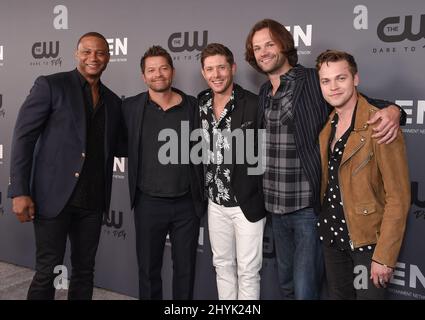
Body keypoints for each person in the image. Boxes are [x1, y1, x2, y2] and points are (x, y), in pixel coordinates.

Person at [244, 19, 405, 299]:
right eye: (257, 48)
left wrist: (394, 110)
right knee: (287, 285)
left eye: (270, 44)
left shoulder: (310, 79)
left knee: (306, 289)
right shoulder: (262, 92)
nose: (264, 52)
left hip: (306, 206)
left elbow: (359, 101)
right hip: (274, 207)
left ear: (283, 44)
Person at [8, 32, 123, 300]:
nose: (93, 58)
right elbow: (24, 137)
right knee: (48, 271)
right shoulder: (51, 85)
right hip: (53, 198)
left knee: (85, 271)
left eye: (100, 53)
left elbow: (121, 145)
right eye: (87, 52)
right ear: (76, 54)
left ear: (108, 57)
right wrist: (19, 190)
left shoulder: (114, 102)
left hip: (93, 201)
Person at [316, 50, 410, 299]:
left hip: (367, 243)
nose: (333, 87)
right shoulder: (327, 125)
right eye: (326, 81)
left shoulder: (381, 124)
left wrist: (384, 256)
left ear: (355, 79)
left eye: (341, 78)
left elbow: (398, 197)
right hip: (332, 240)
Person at [121, 45, 206, 300]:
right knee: (148, 270)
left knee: (185, 270)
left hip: (186, 204)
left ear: (172, 71)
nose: (158, 74)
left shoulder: (194, 108)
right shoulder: (130, 108)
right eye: (151, 70)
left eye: (163, 68)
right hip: (148, 202)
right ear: (143, 76)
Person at [198, 43, 266, 300]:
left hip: (246, 203)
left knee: (248, 271)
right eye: (210, 69)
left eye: (221, 68)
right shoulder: (201, 104)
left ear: (233, 68)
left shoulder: (254, 103)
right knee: (222, 266)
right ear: (204, 73)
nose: (216, 75)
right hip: (215, 203)